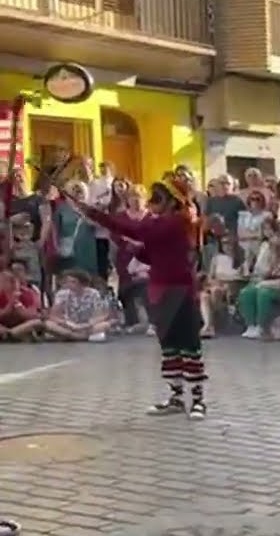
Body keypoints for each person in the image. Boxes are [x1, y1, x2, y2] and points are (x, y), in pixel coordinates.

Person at [69, 178, 208, 419]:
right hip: (161, 289)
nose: (153, 203)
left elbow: (135, 230)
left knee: (188, 346)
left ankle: (198, 400)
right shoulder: (166, 223)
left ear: (171, 201)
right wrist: (137, 250)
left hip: (180, 290)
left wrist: (90, 211)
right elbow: (156, 256)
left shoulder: (179, 221)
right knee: (169, 346)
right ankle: (176, 397)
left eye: (158, 198)